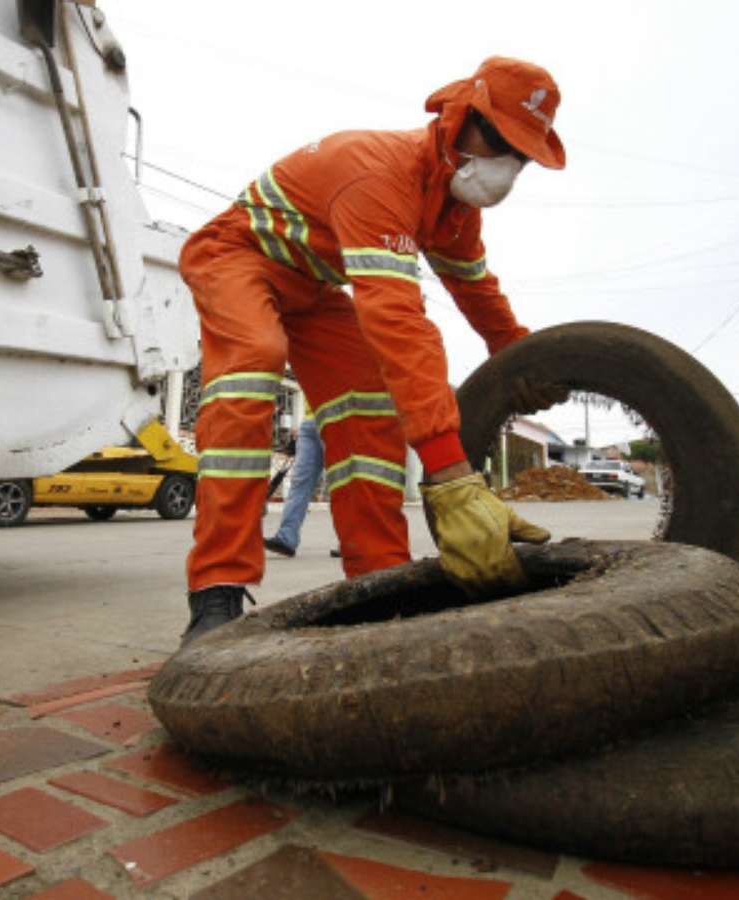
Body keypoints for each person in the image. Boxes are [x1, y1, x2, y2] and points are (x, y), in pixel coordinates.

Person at [179, 57, 570, 643]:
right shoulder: (379, 172)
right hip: (237, 256)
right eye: (498, 141)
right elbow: (396, 320)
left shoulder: (453, 211)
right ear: (458, 117)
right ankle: (217, 590)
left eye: (521, 156)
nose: (505, 166)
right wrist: (452, 478)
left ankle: (381, 584)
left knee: (371, 407)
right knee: (254, 364)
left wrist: (521, 360)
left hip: (312, 288)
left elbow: (480, 296)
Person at [263, 412, 323, 557]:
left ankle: (351, 540)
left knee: (342, 483)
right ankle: (287, 539)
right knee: (299, 481)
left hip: (336, 421)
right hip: (309, 424)